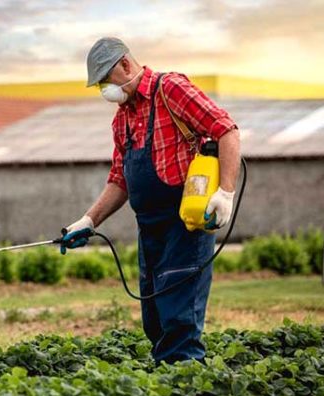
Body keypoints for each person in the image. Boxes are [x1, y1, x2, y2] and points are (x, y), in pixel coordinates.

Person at [61, 37, 241, 364]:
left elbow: (226, 130)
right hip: (150, 231)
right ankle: (169, 381)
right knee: (156, 320)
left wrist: (225, 192)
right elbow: (119, 179)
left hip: (185, 225)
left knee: (179, 321)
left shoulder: (170, 90)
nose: (104, 90)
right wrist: (88, 221)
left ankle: (188, 384)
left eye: (105, 80)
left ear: (125, 65)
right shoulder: (123, 118)